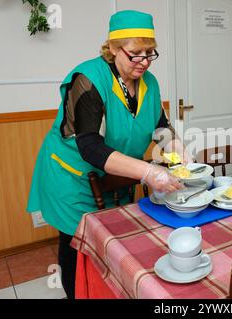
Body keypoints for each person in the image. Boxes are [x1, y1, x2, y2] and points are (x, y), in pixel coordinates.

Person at [26, 10, 189, 299]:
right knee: (76, 244)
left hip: (117, 173)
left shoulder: (149, 82)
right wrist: (149, 172)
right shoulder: (87, 79)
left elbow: (160, 126)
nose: (144, 61)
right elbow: (90, 147)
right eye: (135, 53)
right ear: (113, 48)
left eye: (150, 53)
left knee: (116, 241)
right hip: (72, 176)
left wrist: (181, 154)